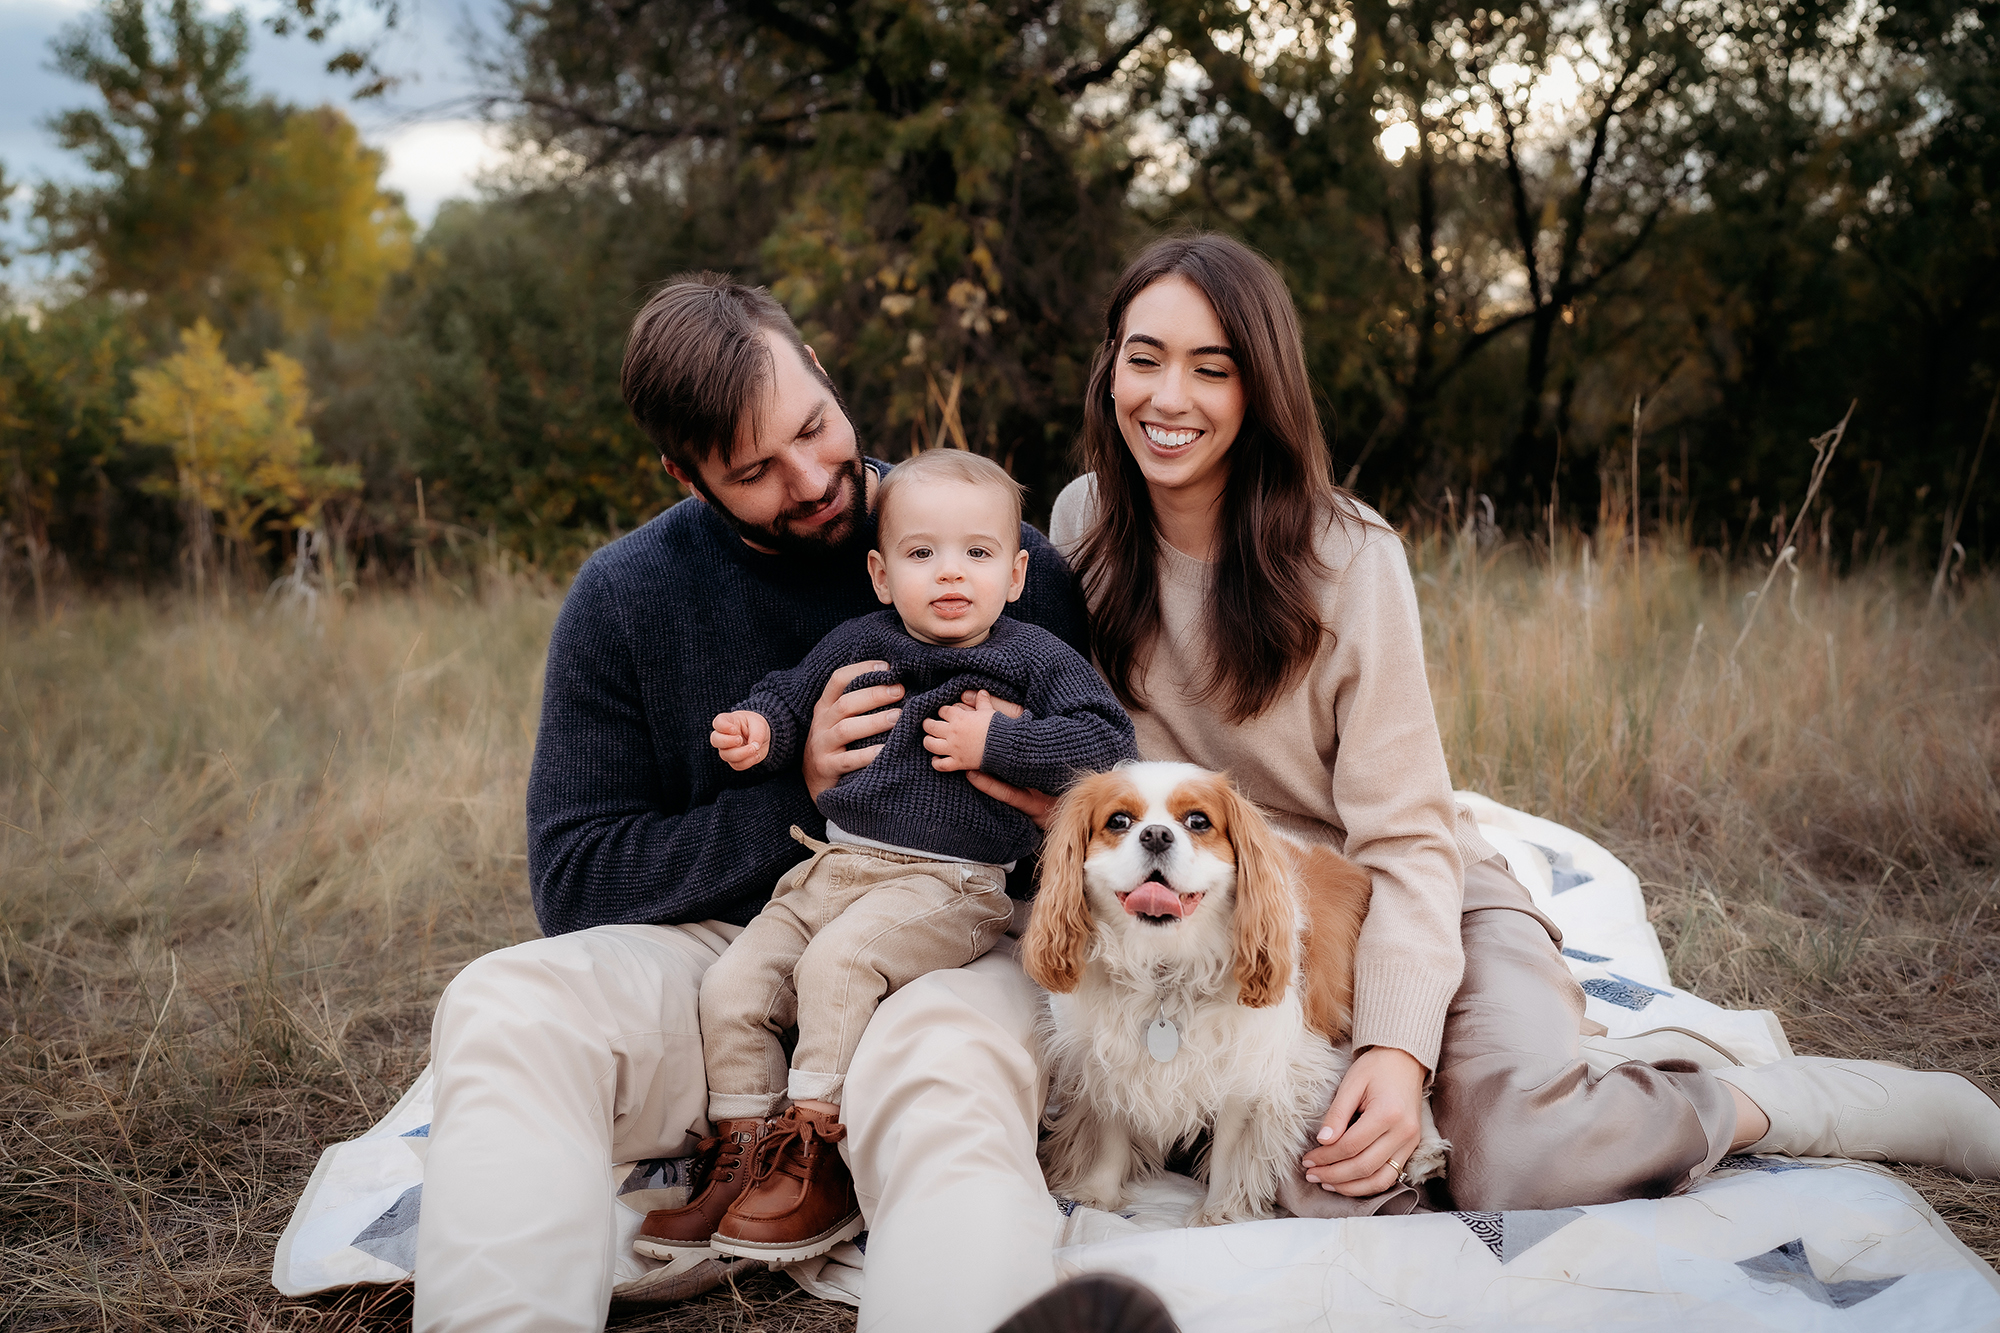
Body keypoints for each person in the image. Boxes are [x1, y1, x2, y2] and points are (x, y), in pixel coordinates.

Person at [1035, 231, 2000, 1213]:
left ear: (1260, 388)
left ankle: (1773, 1099)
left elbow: (1406, 836)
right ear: (1108, 362)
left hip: (1407, 896)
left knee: (1519, 1161)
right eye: (1142, 357)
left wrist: (1397, 1047)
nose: (1165, 398)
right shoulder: (1079, 528)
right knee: (1326, 1186)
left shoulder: (1345, 556)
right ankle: (1534, 1072)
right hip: (1224, 929)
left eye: (1211, 369)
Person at [408, 273, 1090, 1333]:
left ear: (819, 370)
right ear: (686, 477)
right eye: (757, 470)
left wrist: (1039, 805)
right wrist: (802, 795)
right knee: (502, 1002)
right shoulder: (625, 597)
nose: (816, 477)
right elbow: (580, 878)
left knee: (940, 1060)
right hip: (739, 943)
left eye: (815, 429)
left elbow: (1089, 799)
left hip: (956, 932)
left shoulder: (987, 549)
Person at [632, 449, 1135, 1265]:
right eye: (921, 552)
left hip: (952, 883)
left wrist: (1000, 740)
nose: (949, 573)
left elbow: (1108, 744)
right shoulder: (861, 639)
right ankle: (744, 1153)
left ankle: (817, 1146)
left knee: (836, 965)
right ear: (879, 571)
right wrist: (761, 731)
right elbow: (792, 694)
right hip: (833, 868)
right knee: (734, 983)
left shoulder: (1032, 656)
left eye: (977, 554)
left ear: (1014, 574)